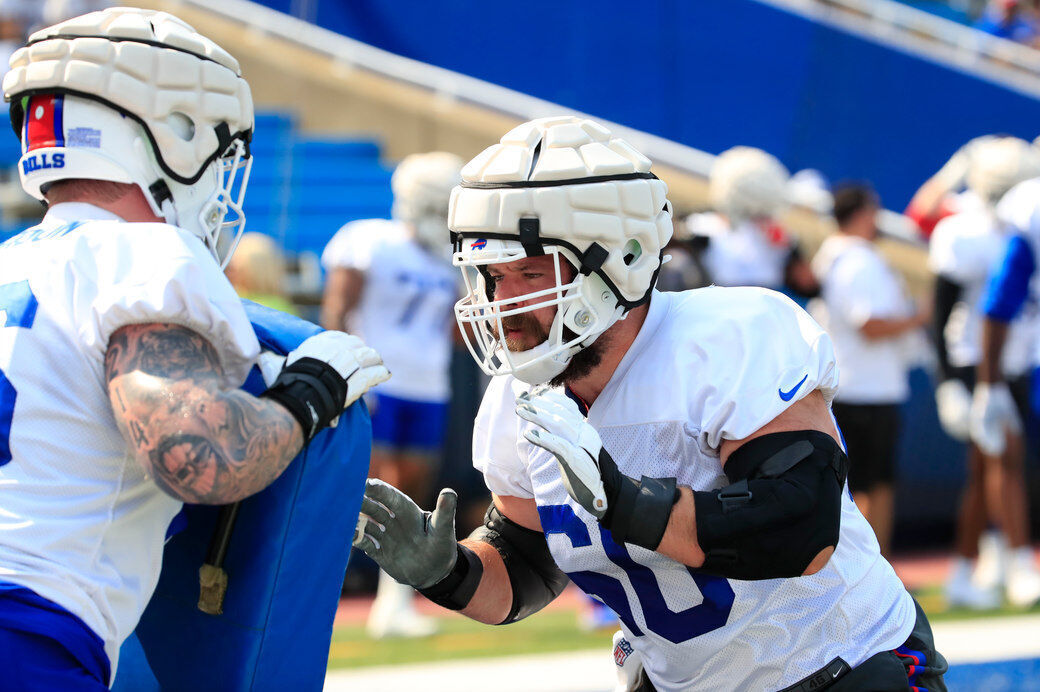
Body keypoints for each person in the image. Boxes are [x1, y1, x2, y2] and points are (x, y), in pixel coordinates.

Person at [353, 116, 947, 691]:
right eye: (488, 274)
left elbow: (798, 527)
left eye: (529, 272)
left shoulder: (729, 337)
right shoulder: (514, 402)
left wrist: (624, 501)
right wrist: (448, 572)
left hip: (843, 668)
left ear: (622, 260)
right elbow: (525, 565)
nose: (500, 301)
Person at [0, 8, 388, 689]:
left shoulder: (14, 263)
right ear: (176, 133)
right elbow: (200, 458)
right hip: (27, 629)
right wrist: (312, 392)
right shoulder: (142, 253)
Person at [321, 151, 462, 638]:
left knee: (414, 491)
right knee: (370, 490)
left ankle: (393, 600)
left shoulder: (451, 259)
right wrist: (346, 374)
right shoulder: (370, 240)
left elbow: (457, 330)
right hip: (377, 380)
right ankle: (322, 594)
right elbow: (337, 309)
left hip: (429, 385)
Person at [928, 136, 1040, 609]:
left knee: (982, 471)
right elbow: (941, 309)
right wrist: (949, 381)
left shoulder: (1011, 221)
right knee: (1005, 459)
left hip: (1015, 357)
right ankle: (1018, 564)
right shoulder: (962, 229)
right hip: (976, 360)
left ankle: (960, 570)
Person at [810, 183, 927, 559]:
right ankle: (873, 569)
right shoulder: (856, 261)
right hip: (863, 389)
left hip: (864, 387)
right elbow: (869, 324)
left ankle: (875, 567)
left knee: (871, 484)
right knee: (867, 486)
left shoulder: (842, 258)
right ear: (860, 214)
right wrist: (918, 318)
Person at [966, 153, 1040, 610]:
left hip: (1020, 358)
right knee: (1001, 463)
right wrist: (986, 384)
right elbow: (995, 305)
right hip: (1012, 361)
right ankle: (1008, 562)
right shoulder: (976, 227)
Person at [686, 145, 819, 299]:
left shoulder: (779, 237)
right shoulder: (703, 227)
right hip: (715, 297)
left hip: (761, 300)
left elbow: (808, 284)